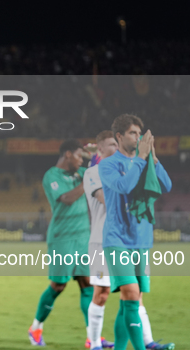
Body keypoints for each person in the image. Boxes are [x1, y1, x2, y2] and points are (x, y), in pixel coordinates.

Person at [99, 114, 173, 350]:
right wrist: (141, 158)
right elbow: (124, 186)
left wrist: (153, 158)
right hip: (117, 238)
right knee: (131, 295)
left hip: (141, 239)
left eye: (140, 134)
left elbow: (166, 186)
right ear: (119, 136)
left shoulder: (144, 161)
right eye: (133, 133)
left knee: (129, 302)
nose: (138, 137)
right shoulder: (108, 164)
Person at [28, 140, 93, 346]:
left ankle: (93, 337)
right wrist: (86, 182)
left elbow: (102, 169)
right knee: (58, 286)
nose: (81, 160)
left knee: (87, 284)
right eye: (78, 156)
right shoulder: (52, 176)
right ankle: (36, 327)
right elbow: (65, 198)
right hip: (62, 239)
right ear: (67, 154)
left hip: (84, 237)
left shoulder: (83, 172)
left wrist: (96, 153)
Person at [83, 131, 118, 350]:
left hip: (126, 241)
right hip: (101, 241)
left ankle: (144, 341)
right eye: (112, 144)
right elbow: (107, 199)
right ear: (100, 149)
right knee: (102, 293)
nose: (117, 147)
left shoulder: (124, 170)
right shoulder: (92, 173)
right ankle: (94, 343)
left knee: (133, 293)